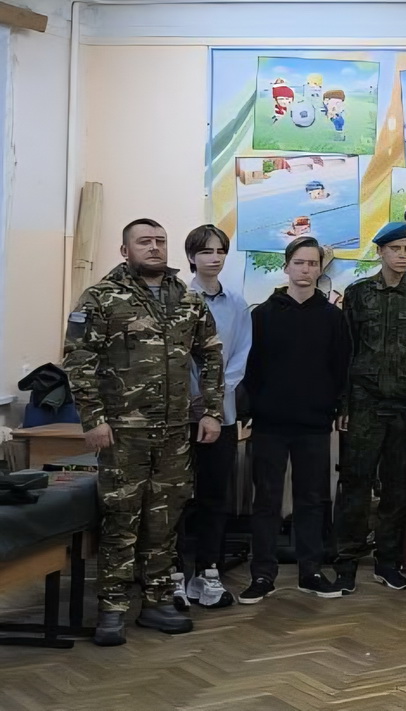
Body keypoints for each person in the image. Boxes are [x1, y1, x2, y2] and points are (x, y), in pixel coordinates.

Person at [63, 217, 225, 645]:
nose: (154, 247)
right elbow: (78, 360)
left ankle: (156, 602)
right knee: (121, 520)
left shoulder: (187, 298)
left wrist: (211, 411)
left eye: (160, 241)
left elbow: (211, 355)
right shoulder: (101, 297)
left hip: (174, 433)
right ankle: (112, 609)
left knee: (164, 521)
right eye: (144, 242)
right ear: (125, 250)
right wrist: (93, 419)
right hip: (123, 433)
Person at [238, 237, 351, 604]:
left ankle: (310, 571)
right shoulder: (263, 315)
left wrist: (336, 408)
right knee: (266, 501)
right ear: (286, 266)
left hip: (314, 424)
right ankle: (262, 574)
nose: (305, 270)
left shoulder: (332, 317)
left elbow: (341, 367)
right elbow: (250, 368)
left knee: (312, 500)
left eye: (312, 263)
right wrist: (249, 411)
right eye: (299, 263)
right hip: (269, 424)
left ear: (320, 268)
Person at [333, 223, 406, 594]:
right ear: (380, 252)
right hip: (363, 405)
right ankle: (346, 563)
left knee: (396, 490)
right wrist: (344, 404)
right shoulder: (358, 293)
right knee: (355, 486)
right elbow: (345, 353)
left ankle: (388, 563)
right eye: (396, 249)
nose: (403, 255)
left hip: (403, 408)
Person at [180, 224, 251, 610]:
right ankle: (175, 574)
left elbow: (239, 356)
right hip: (179, 416)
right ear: (192, 257)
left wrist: (214, 397)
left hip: (221, 414)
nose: (214, 258)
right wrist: (193, 397)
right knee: (176, 498)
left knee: (214, 496)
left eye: (220, 251)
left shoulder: (237, 304)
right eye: (206, 251)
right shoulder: (179, 299)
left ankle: (208, 572)